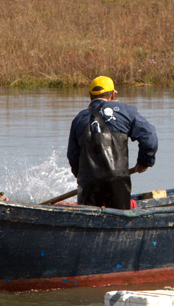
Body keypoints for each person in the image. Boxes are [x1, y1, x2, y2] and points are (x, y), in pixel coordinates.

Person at [67, 76, 158, 210]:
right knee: (120, 217)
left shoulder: (79, 119)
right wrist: (145, 162)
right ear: (113, 95)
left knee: (88, 217)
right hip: (118, 183)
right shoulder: (127, 112)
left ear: (90, 96)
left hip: (89, 185)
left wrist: (82, 178)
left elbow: (72, 155)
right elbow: (149, 136)